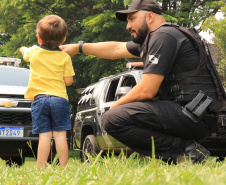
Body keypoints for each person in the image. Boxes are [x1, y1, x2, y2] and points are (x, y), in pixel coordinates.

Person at [60, 0, 225, 163]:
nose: (128, 26)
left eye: (132, 19)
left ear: (150, 17)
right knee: (117, 116)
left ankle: (186, 153)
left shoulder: (163, 35)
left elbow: (147, 90)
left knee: (113, 118)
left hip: (192, 114)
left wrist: (113, 110)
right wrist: (78, 47)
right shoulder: (162, 36)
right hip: (196, 114)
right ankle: (184, 153)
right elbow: (116, 48)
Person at [20, 15, 75, 168]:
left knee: (44, 136)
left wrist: (23, 49)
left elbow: (24, 52)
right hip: (59, 99)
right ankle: (63, 167)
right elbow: (68, 81)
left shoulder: (34, 53)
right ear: (63, 40)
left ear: (39, 39)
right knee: (60, 136)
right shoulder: (65, 57)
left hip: (39, 99)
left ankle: (41, 167)